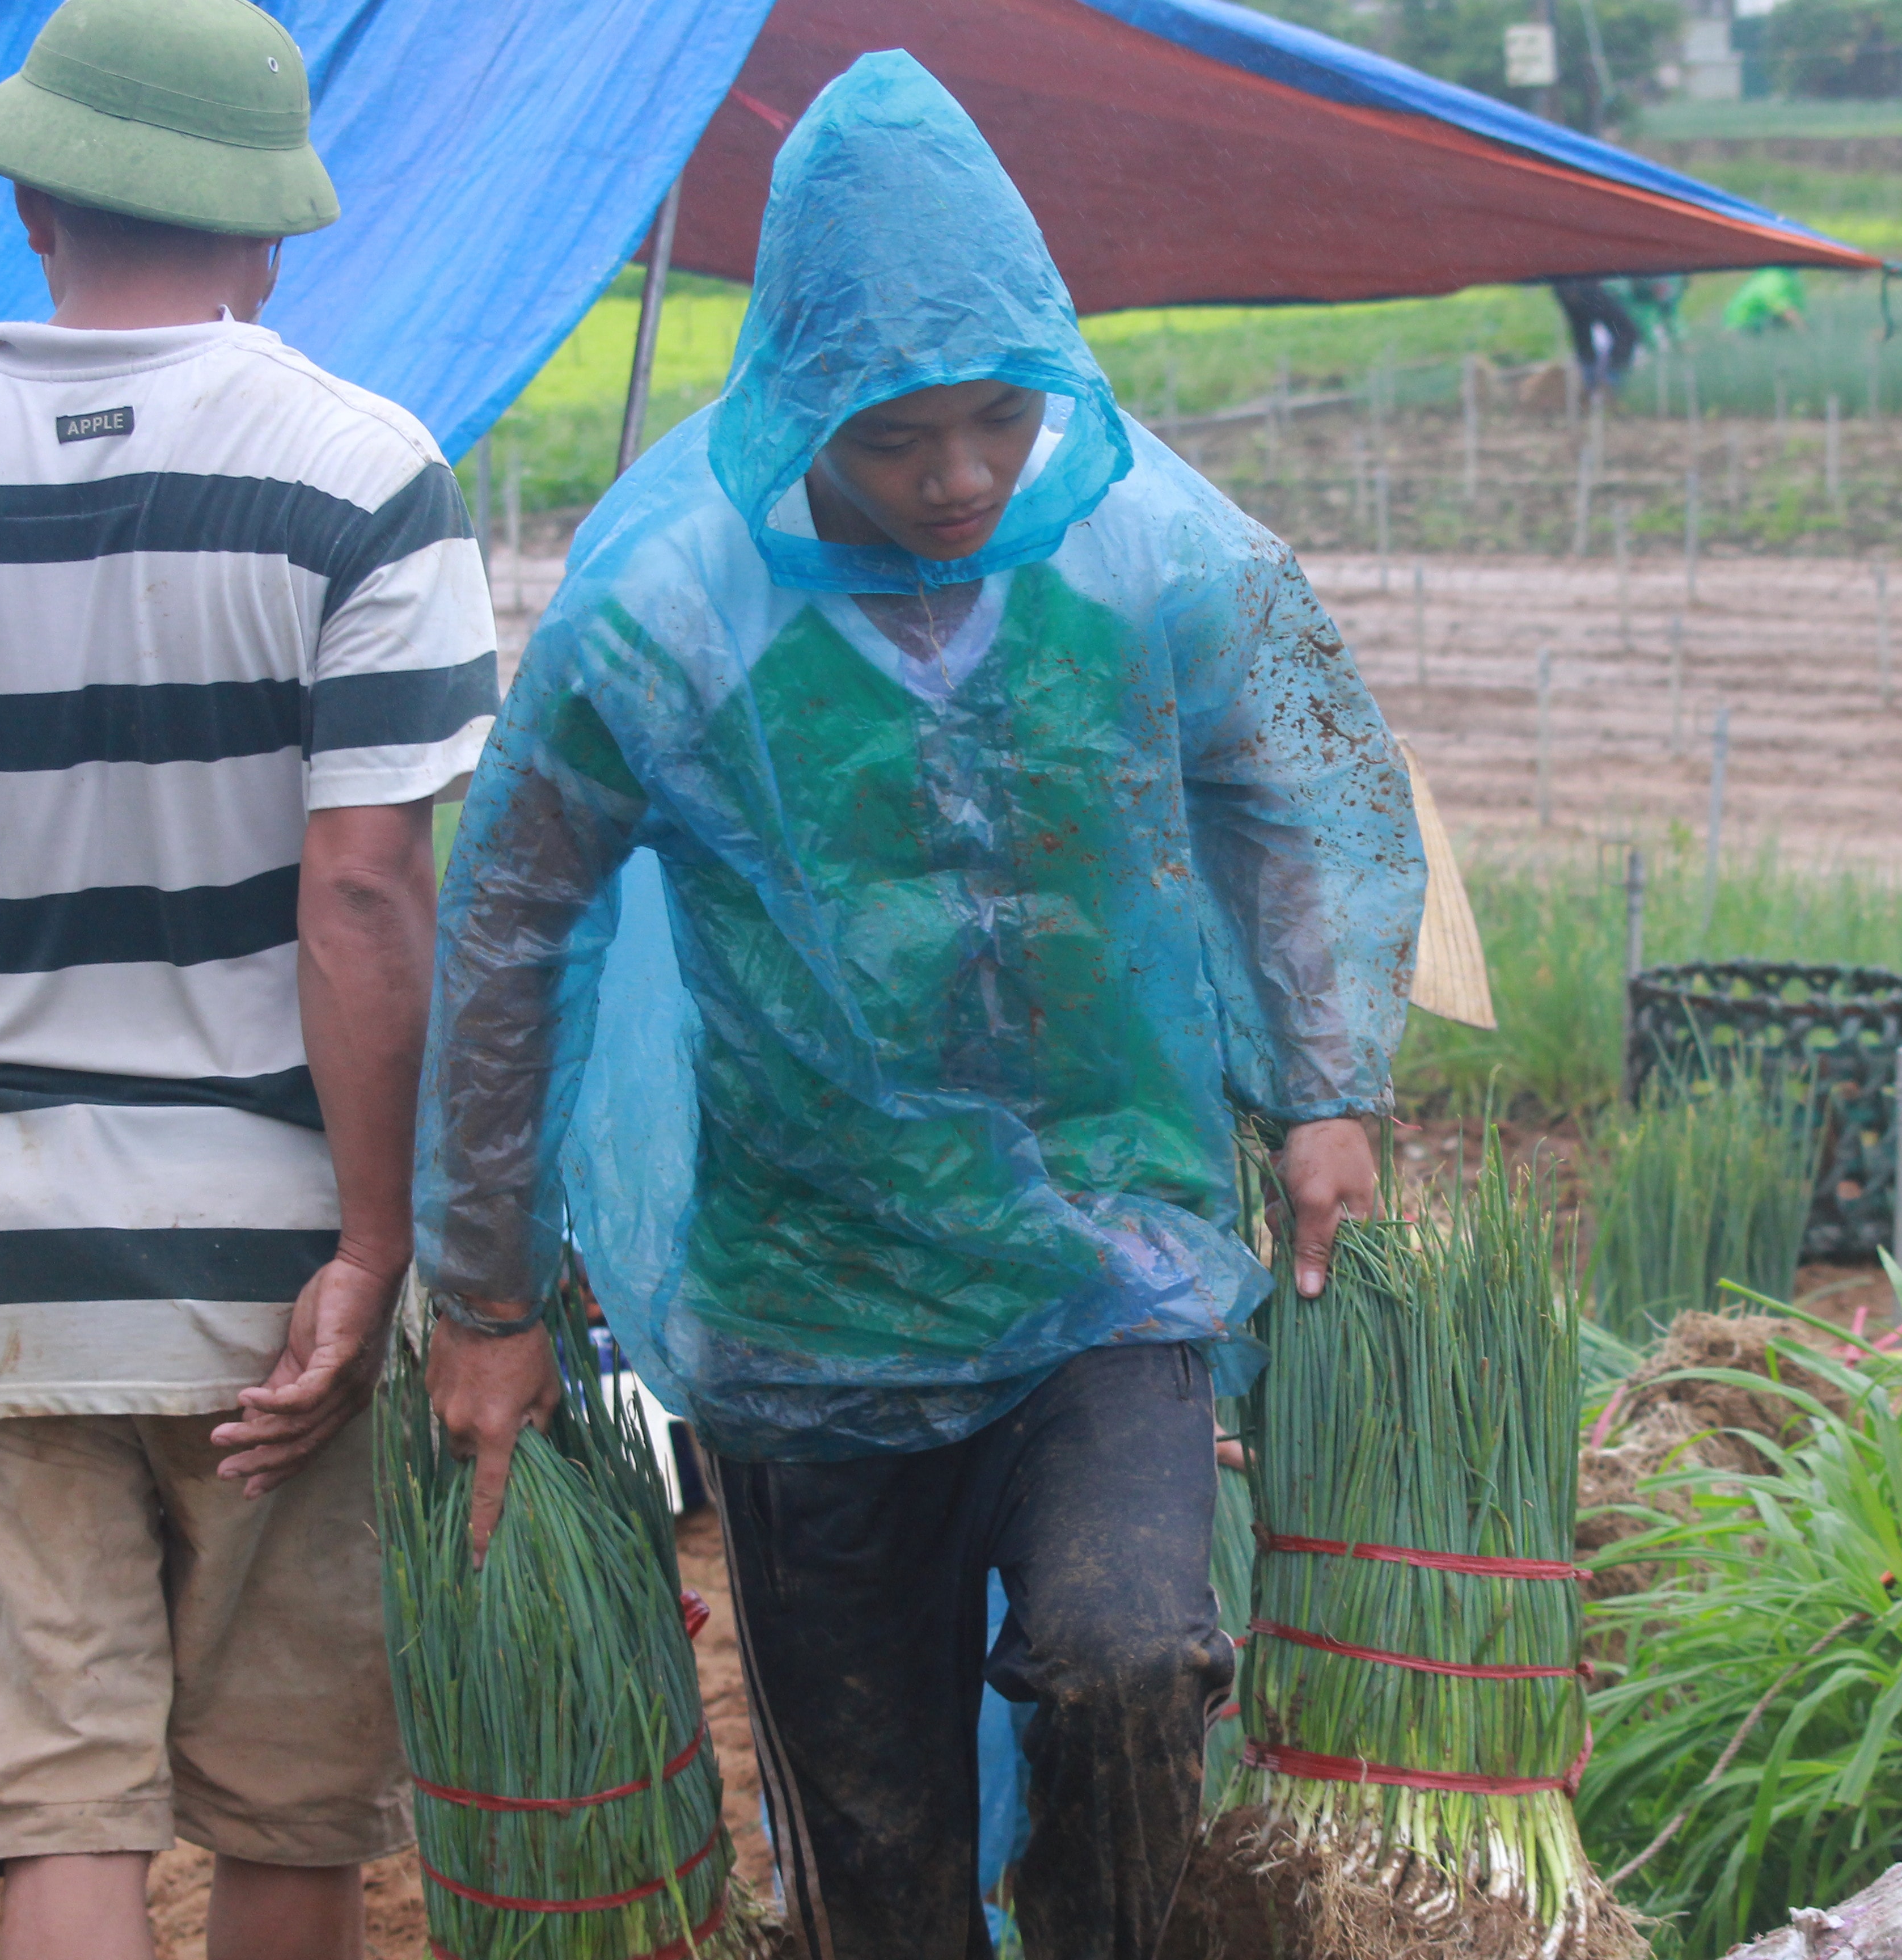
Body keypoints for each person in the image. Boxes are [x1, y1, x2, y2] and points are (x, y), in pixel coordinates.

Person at [412, 50, 1422, 1960]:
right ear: (796, 398)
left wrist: (1325, 1085)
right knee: (871, 1868)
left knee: (1130, 1665)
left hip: (1103, 1264)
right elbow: (511, 930)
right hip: (813, 1311)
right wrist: (484, 1291)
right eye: (893, 435)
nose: (959, 477)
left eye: (997, 419)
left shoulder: (1155, 556)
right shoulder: (666, 613)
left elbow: (1305, 792)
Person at [0, 2, 497, 1954]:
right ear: (270, 231)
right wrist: (375, 1247)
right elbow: (366, 896)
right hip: (271, 1250)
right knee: (289, 1810)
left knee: (59, 1815)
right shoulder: (362, 476)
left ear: (27, 198)